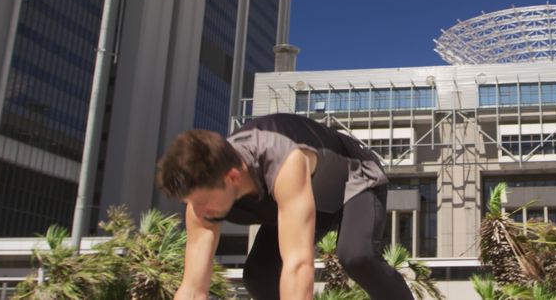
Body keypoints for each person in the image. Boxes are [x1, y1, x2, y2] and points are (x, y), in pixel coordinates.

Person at [156, 112, 415, 300]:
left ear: (232, 177)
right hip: (309, 198)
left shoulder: (283, 162)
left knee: (356, 256)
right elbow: (192, 288)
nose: (199, 213)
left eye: (202, 202)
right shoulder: (201, 198)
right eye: (191, 204)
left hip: (356, 180)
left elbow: (298, 264)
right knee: (259, 274)